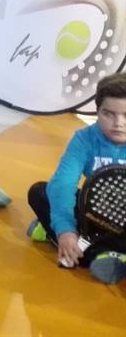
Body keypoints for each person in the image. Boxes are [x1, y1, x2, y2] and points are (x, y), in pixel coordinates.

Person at [27, 72, 126, 284]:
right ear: (97, 112)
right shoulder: (84, 139)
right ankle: (103, 254)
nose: (119, 123)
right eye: (109, 114)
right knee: (40, 192)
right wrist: (65, 229)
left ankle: (78, 246)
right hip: (93, 213)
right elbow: (63, 183)